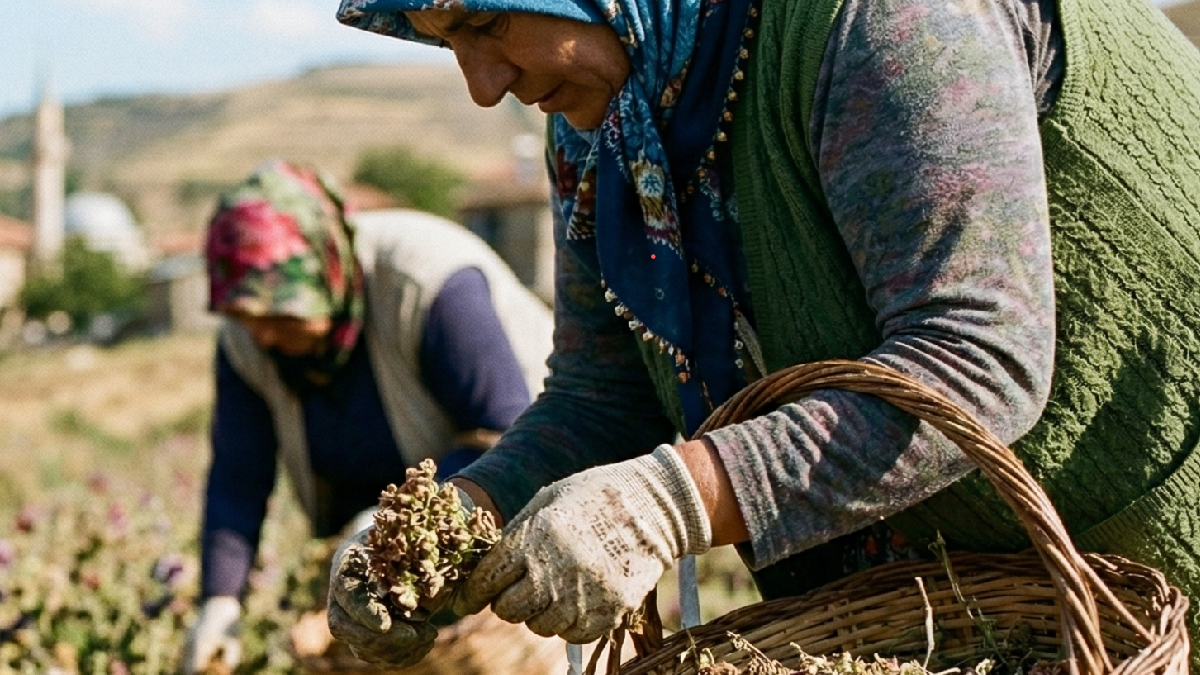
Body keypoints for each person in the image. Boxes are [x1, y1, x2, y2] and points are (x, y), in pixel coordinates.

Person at [326, 0, 1200, 668]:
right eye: (449, 45)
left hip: (1146, 534)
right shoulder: (601, 124)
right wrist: (447, 526)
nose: (482, 87)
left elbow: (978, 361)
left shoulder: (884, 23)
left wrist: (664, 503)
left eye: (484, 22)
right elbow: (602, 399)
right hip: (966, 603)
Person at [182, 159, 555, 674]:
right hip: (383, 553)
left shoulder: (425, 282)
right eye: (247, 318)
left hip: (506, 512)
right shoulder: (247, 342)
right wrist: (220, 603)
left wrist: (387, 527)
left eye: (277, 315)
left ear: (327, 272)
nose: (262, 335)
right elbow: (238, 478)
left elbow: (501, 433)